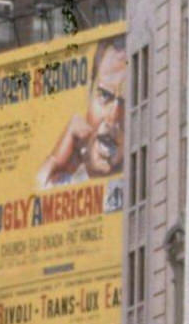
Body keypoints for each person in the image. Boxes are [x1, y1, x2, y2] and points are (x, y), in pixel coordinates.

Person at [35, 32, 127, 204]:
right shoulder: (75, 183)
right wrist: (56, 161)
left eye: (127, 104)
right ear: (89, 95)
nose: (113, 117)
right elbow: (37, 200)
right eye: (105, 96)